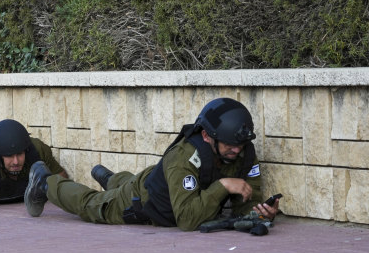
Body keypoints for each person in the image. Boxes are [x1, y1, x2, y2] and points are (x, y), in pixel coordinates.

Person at [24, 97, 280, 231]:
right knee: (92, 205)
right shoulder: (184, 157)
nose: (236, 150)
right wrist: (224, 185)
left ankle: (112, 179)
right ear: (206, 136)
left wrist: (259, 212)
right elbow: (188, 221)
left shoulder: (242, 150)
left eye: (240, 145)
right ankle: (45, 182)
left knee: (133, 182)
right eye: (228, 144)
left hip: (159, 182)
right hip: (140, 201)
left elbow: (246, 202)